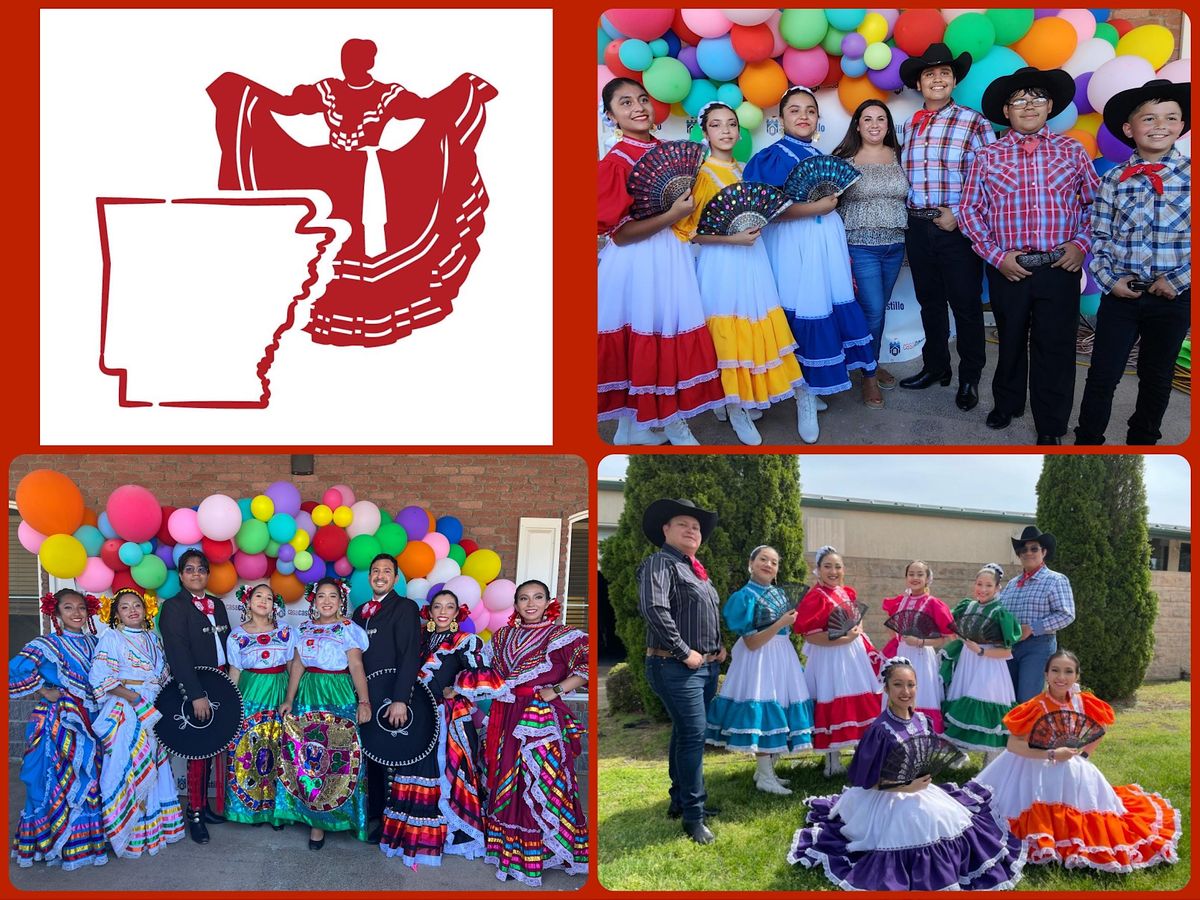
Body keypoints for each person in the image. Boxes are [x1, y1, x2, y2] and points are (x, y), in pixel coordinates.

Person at [207, 39, 496, 347]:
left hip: (367, 176)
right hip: (330, 174)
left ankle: (371, 312)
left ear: (368, 63)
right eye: (346, 59)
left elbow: (426, 110)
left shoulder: (387, 94)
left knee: (362, 243)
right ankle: (326, 307)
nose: (349, 65)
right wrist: (243, 91)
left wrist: (462, 94)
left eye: (355, 60)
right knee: (330, 242)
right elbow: (287, 105)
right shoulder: (328, 89)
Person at [789, 657, 1026, 890]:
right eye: (898, 685)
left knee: (951, 820)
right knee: (915, 829)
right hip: (886, 795)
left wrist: (919, 780)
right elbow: (867, 782)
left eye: (911, 684)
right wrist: (906, 787)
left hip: (921, 789)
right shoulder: (880, 730)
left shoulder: (923, 720)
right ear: (886, 688)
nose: (905, 691)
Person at [959, 67, 1099, 445]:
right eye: (1019, 100)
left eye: (1037, 98)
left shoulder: (1071, 151)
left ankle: (1051, 425)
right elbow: (970, 210)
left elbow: (1095, 206)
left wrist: (1080, 245)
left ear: (1050, 106)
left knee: (1055, 347)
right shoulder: (987, 156)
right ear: (1006, 111)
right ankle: (1007, 404)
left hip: (1059, 265)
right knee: (1010, 339)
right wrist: (996, 255)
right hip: (1010, 266)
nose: (1029, 106)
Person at [744, 86, 879, 443]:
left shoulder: (820, 154)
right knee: (803, 313)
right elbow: (764, 211)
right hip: (793, 246)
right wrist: (816, 208)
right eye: (795, 110)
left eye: (810, 110)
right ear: (781, 119)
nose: (803, 115)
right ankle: (803, 395)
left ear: (818, 118)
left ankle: (812, 389)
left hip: (826, 242)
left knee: (825, 307)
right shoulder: (770, 157)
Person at [597, 77, 724, 446]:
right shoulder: (614, 162)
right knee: (647, 334)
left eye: (642, 99)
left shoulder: (671, 150)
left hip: (671, 254)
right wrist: (672, 214)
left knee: (665, 330)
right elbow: (621, 234)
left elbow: (690, 210)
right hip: (636, 262)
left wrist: (685, 213)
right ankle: (652, 424)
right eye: (625, 103)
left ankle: (637, 427)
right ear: (611, 116)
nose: (638, 107)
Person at [674, 101, 805, 445]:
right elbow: (691, 232)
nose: (727, 131)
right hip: (722, 264)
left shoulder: (746, 169)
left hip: (754, 259)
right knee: (728, 332)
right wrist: (731, 238)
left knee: (757, 323)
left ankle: (747, 395)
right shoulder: (701, 176)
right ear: (705, 132)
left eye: (731, 124)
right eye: (717, 125)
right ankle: (735, 407)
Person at [977, 650, 1180, 871]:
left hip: (1071, 765)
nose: (1060, 677)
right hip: (1033, 765)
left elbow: (1100, 728)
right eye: (1055, 670)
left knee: (1091, 808)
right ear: (1046, 674)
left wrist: (1083, 755)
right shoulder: (1036, 706)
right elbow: (1013, 745)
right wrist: (1051, 754)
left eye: (1068, 671)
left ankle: (1068, 835)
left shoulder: (1082, 702)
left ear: (1077, 677)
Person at [1075, 79, 1191, 446]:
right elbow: (1101, 237)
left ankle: (1143, 440)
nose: (1160, 125)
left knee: (1156, 375)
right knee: (1103, 373)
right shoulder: (1112, 179)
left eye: (1171, 117)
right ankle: (1088, 440)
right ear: (1129, 129)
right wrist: (1110, 281)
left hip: (1172, 297)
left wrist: (1178, 281)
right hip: (1122, 294)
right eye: (1149, 118)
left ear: (1182, 125)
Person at [454, 579, 589, 885]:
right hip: (507, 713)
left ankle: (545, 850)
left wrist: (557, 689)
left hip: (540, 717)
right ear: (515, 605)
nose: (531, 604)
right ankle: (513, 852)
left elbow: (585, 664)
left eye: (537, 597)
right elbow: (484, 671)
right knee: (508, 780)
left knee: (541, 779)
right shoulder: (502, 637)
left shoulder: (562, 635)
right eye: (524, 599)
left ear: (547, 602)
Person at [897, 42, 995, 410]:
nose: (937, 79)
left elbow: (987, 179)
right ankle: (935, 366)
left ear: (954, 81)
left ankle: (969, 376)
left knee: (967, 306)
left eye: (944, 73)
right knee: (930, 303)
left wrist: (959, 213)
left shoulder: (974, 123)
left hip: (956, 227)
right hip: (917, 226)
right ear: (919, 84)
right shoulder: (908, 126)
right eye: (929, 74)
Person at [636, 497, 725, 842]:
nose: (692, 531)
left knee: (685, 733)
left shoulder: (696, 570)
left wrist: (716, 645)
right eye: (684, 524)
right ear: (666, 530)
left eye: (697, 527)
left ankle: (680, 801)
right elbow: (654, 609)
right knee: (693, 735)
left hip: (704, 666)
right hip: (673, 665)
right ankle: (693, 815)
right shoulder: (659, 563)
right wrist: (683, 650)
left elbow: (701, 615)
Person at [380, 589, 487, 867]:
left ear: (457, 613)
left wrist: (458, 687)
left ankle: (444, 836)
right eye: (437, 606)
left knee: (439, 771)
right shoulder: (419, 639)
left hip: (444, 716)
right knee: (412, 766)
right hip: (417, 716)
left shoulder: (464, 641)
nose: (442, 611)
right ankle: (410, 836)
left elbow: (480, 674)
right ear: (429, 611)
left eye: (449, 606)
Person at [9, 589, 107, 870]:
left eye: (80, 608)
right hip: (57, 722)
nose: (76, 613)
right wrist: (43, 688)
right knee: (52, 779)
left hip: (89, 720)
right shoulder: (46, 645)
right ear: (56, 613)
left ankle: (84, 842)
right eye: (68, 608)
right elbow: (13, 670)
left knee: (88, 778)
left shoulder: (96, 643)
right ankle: (52, 842)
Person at [705, 545, 814, 795]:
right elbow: (752, 643)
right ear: (751, 563)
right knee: (765, 713)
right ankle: (765, 776)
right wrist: (781, 623)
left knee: (780, 711)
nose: (768, 565)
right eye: (763, 559)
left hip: (782, 659)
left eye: (774, 562)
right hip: (759, 660)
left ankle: (765, 771)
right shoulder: (745, 597)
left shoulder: (779, 595)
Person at [89, 588, 185, 858]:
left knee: (151, 765)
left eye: (137, 606)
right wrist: (134, 697)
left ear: (146, 610)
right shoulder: (112, 637)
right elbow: (100, 677)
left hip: (150, 708)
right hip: (128, 709)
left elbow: (162, 674)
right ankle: (127, 832)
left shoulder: (154, 639)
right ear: (116, 614)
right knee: (127, 766)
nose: (132, 610)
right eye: (124, 607)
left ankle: (151, 830)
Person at [277, 577, 371, 848]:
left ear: (341, 601)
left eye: (333, 596)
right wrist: (289, 699)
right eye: (322, 596)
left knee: (342, 756)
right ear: (314, 601)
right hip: (309, 695)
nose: (327, 601)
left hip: (338, 693)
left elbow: (355, 666)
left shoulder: (348, 629)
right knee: (309, 756)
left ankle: (342, 816)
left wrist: (363, 701)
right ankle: (315, 823)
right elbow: (297, 666)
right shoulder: (304, 628)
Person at [832, 99, 910, 405]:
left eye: (881, 119)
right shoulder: (843, 159)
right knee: (874, 311)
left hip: (895, 245)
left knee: (877, 312)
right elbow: (827, 201)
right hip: (860, 245)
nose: (875, 125)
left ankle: (871, 363)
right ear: (858, 125)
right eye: (868, 119)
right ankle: (867, 375)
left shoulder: (900, 155)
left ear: (888, 125)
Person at [158, 548, 232, 843]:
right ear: (180, 575)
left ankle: (207, 807)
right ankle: (196, 814)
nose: (196, 574)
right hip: (197, 686)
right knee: (198, 753)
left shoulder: (217, 604)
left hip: (221, 680)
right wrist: (195, 694)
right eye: (190, 569)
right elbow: (178, 654)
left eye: (201, 569)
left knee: (214, 746)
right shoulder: (174, 607)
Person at [351, 552, 422, 842]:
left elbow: (409, 655)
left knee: (390, 758)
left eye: (386, 571)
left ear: (395, 578)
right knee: (369, 756)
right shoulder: (359, 612)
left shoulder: (405, 607)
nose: (380, 576)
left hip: (390, 696)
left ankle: (391, 821)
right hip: (364, 695)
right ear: (369, 577)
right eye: (375, 571)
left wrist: (400, 699)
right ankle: (373, 811)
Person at [793, 546, 882, 776]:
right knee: (832, 696)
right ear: (818, 570)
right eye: (827, 566)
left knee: (857, 701)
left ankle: (856, 755)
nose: (833, 571)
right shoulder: (815, 597)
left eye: (838, 566)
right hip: (830, 657)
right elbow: (811, 635)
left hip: (853, 654)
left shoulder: (845, 593)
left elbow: (855, 618)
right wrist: (844, 639)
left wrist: (855, 633)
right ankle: (832, 762)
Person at [224, 583, 292, 829]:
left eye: (269, 597)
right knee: (250, 749)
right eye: (258, 596)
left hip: (279, 690)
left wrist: (291, 697)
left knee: (280, 747)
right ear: (248, 602)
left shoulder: (285, 631)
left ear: (275, 604)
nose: (264, 600)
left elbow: (294, 665)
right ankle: (250, 809)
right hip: (251, 691)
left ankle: (277, 811)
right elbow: (235, 669)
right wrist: (233, 703)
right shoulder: (237, 635)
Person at [940, 564, 1022, 765]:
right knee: (962, 703)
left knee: (984, 705)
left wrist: (982, 650)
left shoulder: (1000, 613)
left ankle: (991, 760)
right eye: (979, 584)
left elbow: (1007, 651)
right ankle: (959, 753)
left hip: (990, 666)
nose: (982, 589)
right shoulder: (968, 607)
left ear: (997, 588)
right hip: (968, 663)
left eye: (988, 585)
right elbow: (952, 628)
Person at [998, 526, 1075, 704]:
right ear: (1019, 555)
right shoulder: (1011, 584)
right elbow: (1000, 614)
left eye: (1034, 548)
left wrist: (1032, 628)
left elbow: (1066, 614)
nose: (1028, 553)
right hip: (1009, 648)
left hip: (1038, 647)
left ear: (1044, 552)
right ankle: (1010, 733)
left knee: (1027, 699)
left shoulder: (1055, 580)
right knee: (1006, 697)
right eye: (1023, 549)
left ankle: (1028, 732)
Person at [879, 560, 954, 732]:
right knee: (898, 691)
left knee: (921, 695)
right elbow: (892, 629)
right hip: (901, 654)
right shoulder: (900, 601)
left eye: (920, 574)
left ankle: (924, 736)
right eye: (911, 574)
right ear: (906, 578)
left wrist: (920, 642)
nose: (915, 578)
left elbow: (943, 639)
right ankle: (899, 735)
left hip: (922, 656)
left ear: (928, 579)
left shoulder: (934, 604)